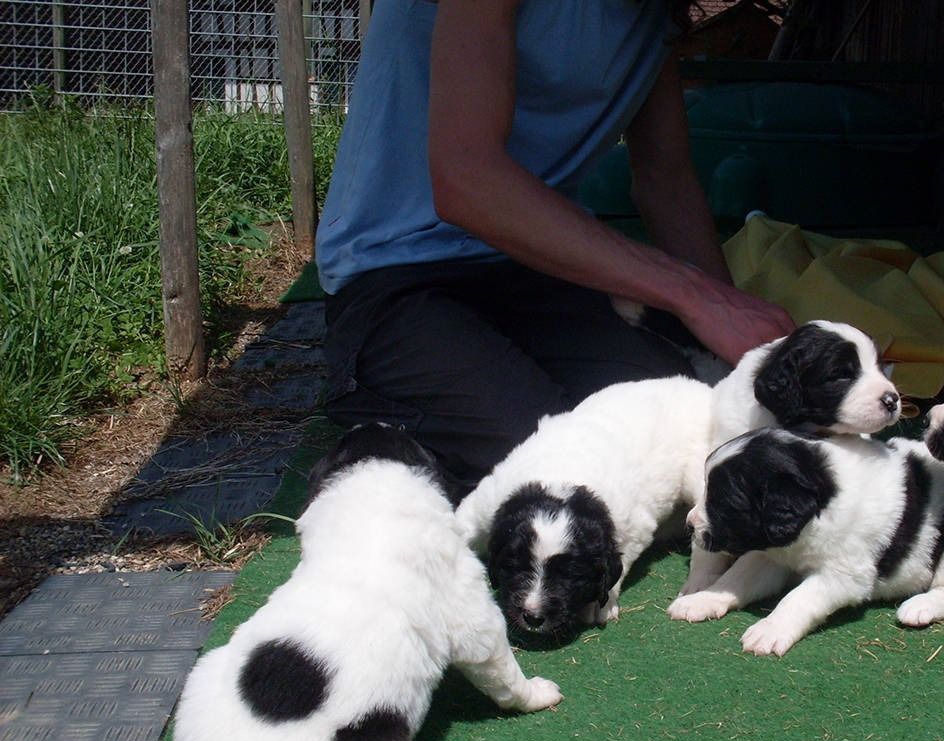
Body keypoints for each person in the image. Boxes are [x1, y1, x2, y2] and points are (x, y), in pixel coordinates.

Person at [315, 0, 795, 494]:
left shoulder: (654, 15)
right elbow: (467, 181)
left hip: (535, 270)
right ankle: (376, 438)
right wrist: (697, 295)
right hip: (397, 272)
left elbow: (665, 182)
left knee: (677, 422)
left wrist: (741, 352)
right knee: (552, 465)